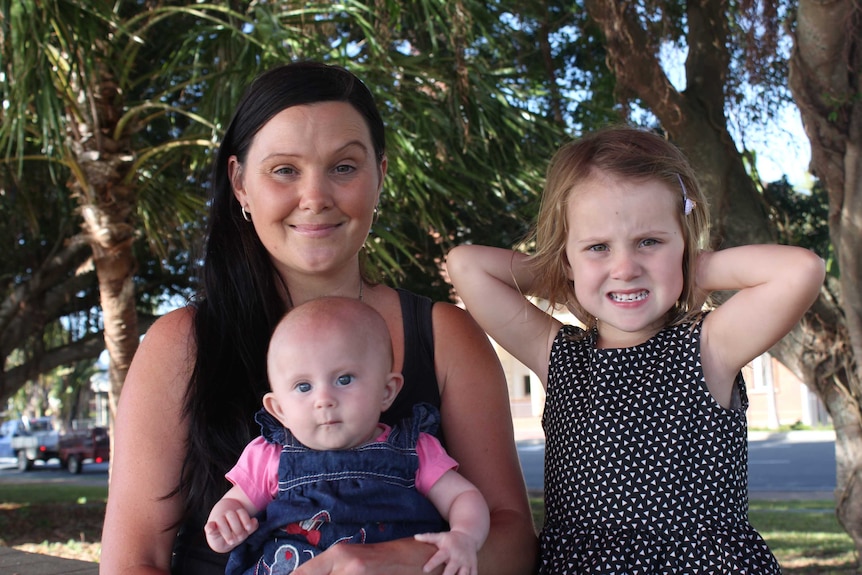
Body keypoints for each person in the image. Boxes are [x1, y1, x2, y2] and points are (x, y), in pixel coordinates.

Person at [99, 61, 538, 575]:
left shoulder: (444, 336)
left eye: (344, 167)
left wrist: (399, 562)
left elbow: (514, 541)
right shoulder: (182, 343)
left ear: (381, 175)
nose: (315, 198)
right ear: (240, 183)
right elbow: (131, 562)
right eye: (284, 170)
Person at [447, 125, 825, 574]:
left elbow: (801, 269)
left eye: (650, 242)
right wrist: (566, 275)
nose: (625, 268)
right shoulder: (558, 355)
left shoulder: (709, 346)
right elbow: (465, 265)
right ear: (566, 258)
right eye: (598, 247)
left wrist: (691, 268)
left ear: (684, 242)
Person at [204, 297, 489, 575]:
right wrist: (226, 521)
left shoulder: (414, 450)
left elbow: (462, 496)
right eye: (304, 387)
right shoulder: (270, 455)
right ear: (279, 409)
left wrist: (464, 536)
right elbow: (236, 503)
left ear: (387, 391)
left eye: (344, 379)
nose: (324, 399)